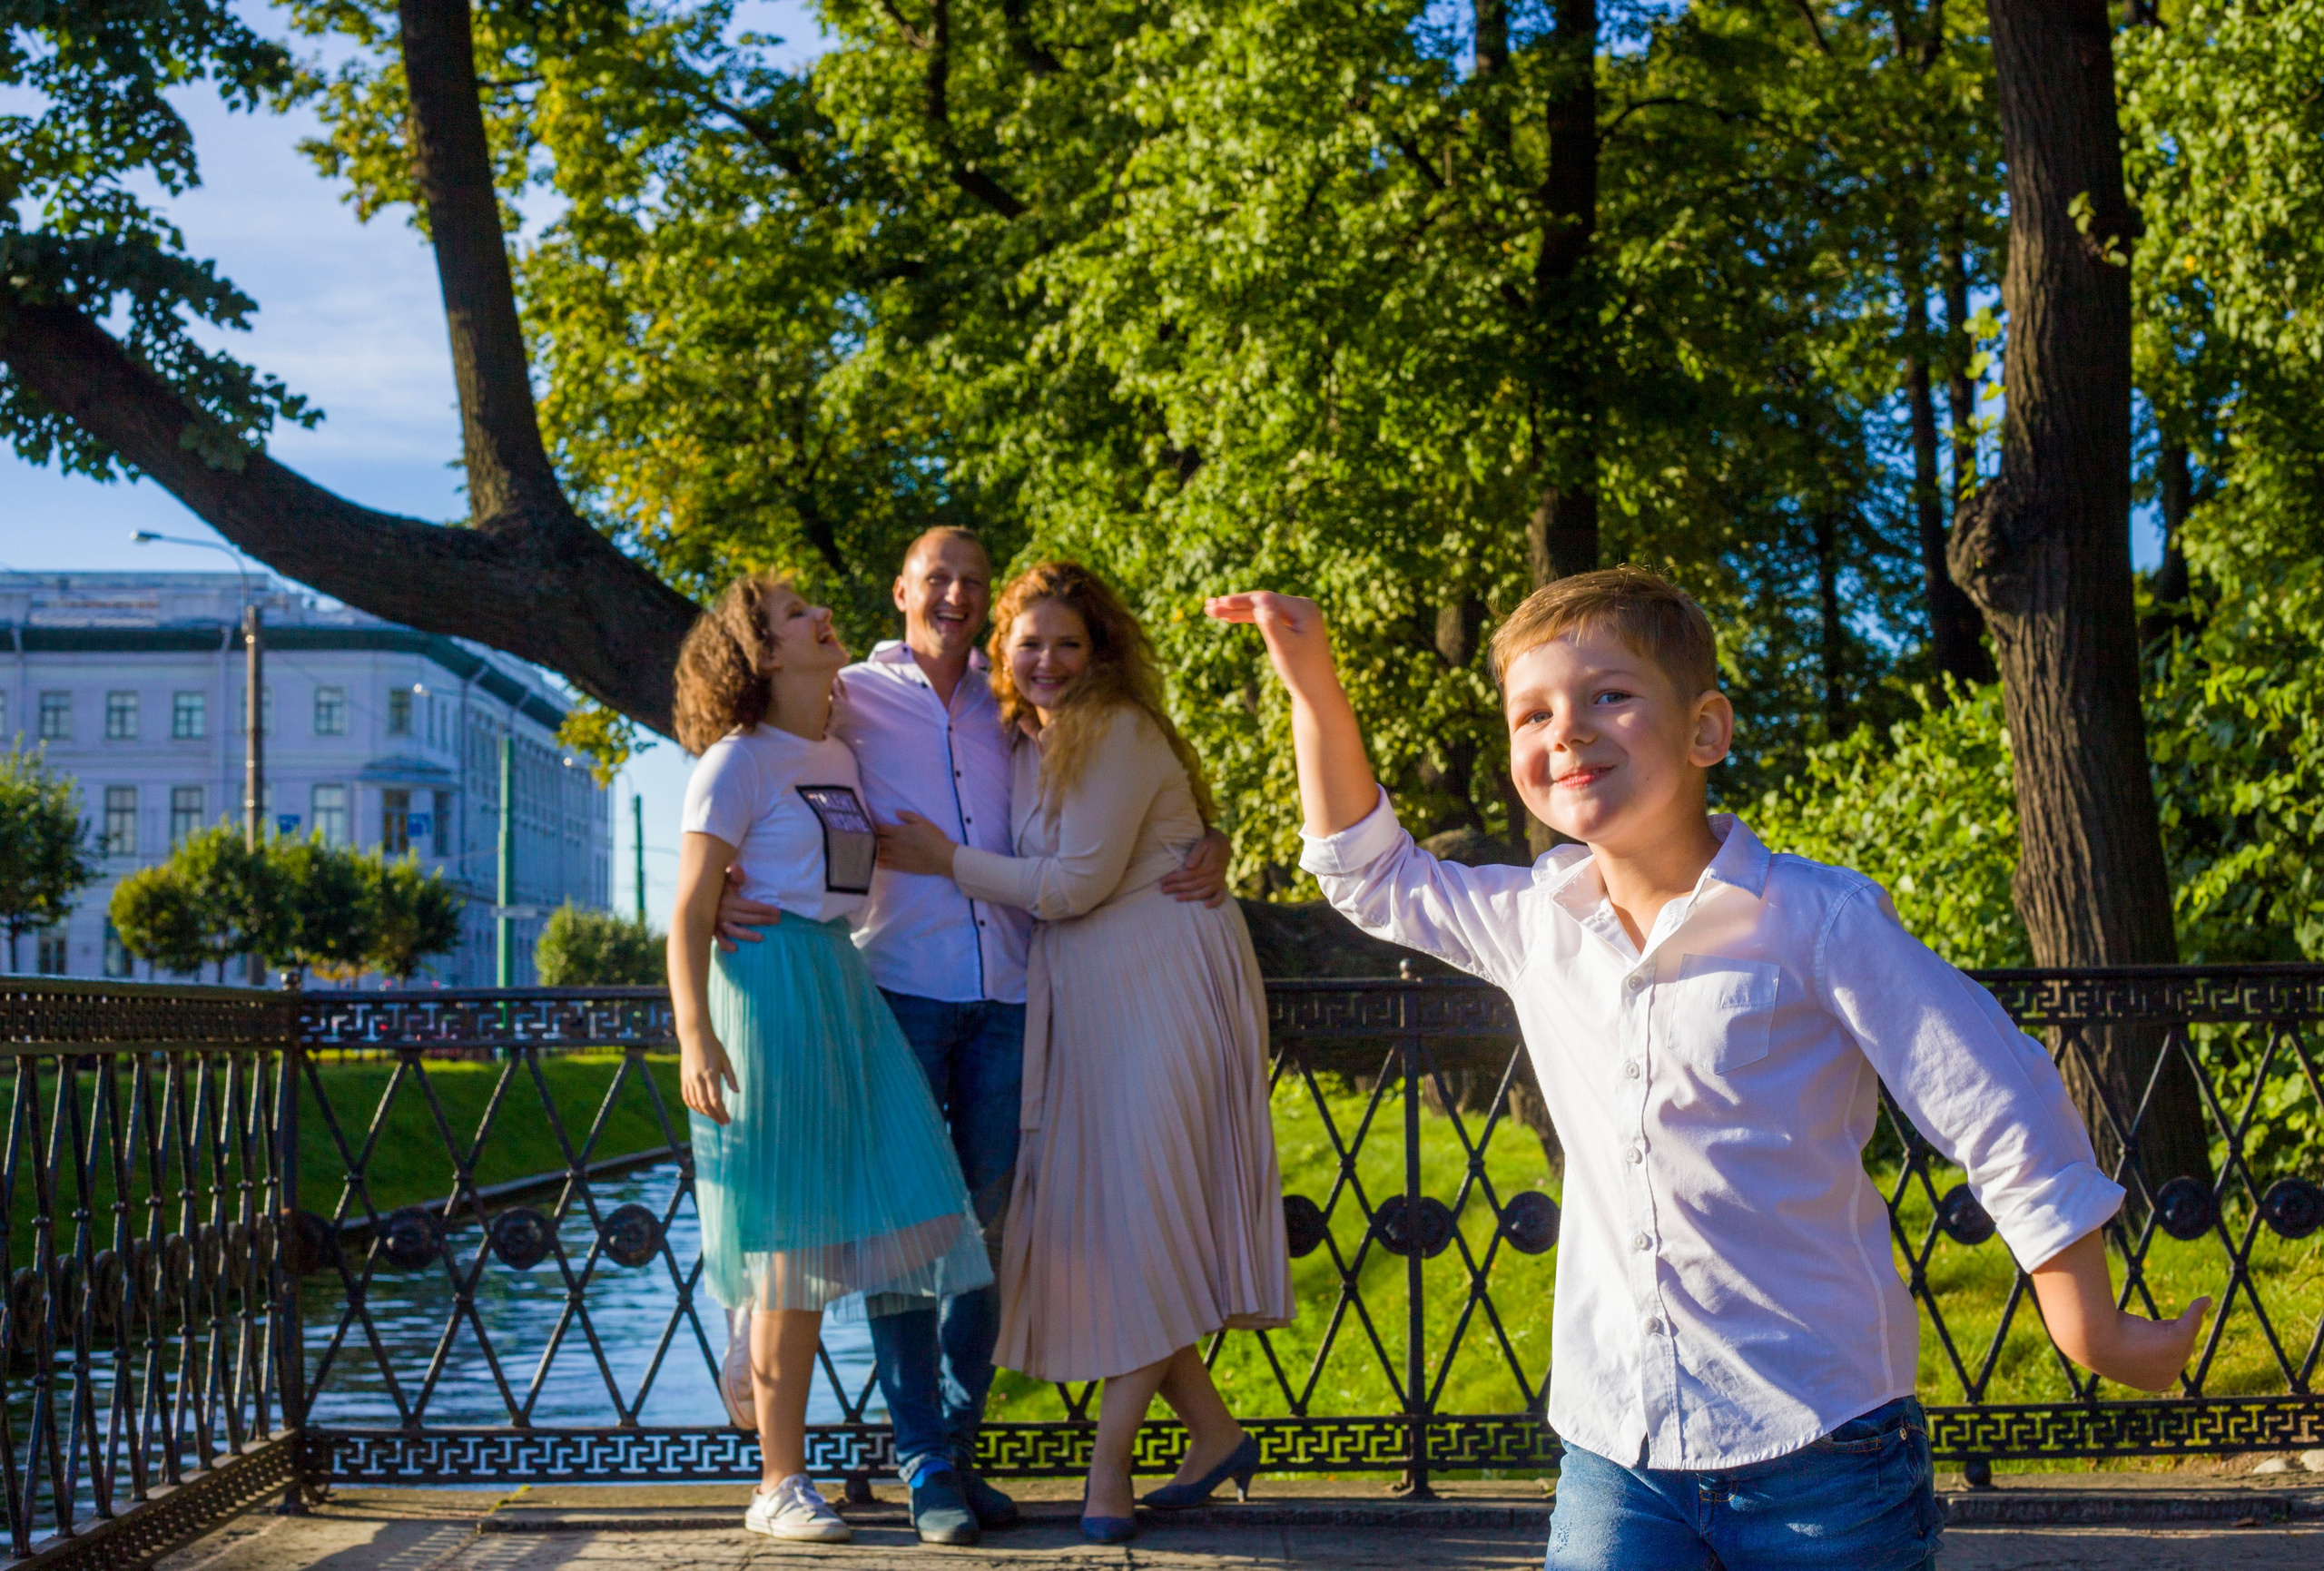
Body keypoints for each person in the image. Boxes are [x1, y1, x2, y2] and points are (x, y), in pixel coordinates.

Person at [1208, 566, 2209, 1571]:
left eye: (1609, 695)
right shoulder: (1529, 926)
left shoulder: (1816, 921)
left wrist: (2087, 1318)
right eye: (1532, 712)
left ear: (1705, 732)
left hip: (1825, 1447)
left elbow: (1992, 1092)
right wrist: (1311, 682)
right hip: (1619, 1452)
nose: (1565, 730)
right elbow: (1366, 873)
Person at [710, 528, 1234, 1545]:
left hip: (1020, 993)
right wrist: (721, 877)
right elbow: (747, 747)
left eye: (972, 583)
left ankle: (960, 1442)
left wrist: (1207, 837)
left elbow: (1131, 789)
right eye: (935, 578)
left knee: (988, 1239)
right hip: (896, 990)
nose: (953, 594)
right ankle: (924, 1467)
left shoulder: (1024, 698)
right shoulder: (850, 692)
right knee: (908, 1237)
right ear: (901, 588)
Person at [880, 560, 1293, 1545]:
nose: (1051, 660)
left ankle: (1107, 1474)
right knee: (1115, 1226)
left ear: (1100, 650)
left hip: (1164, 978)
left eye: (1071, 643)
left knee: (1146, 1219)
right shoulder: (1025, 734)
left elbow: (1070, 884)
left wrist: (944, 862)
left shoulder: (1113, 727)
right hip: (1091, 996)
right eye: (1032, 643)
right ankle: (1214, 1435)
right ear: (1003, 651)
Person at [667, 572, 991, 1544]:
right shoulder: (735, 760)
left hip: (840, 986)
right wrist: (694, 1033)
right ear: (759, 653)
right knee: (792, 1250)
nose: (820, 618)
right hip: (767, 991)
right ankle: (777, 1482)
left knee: (917, 1206)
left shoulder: (838, 746)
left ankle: (919, 1444)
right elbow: (686, 907)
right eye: (794, 616)